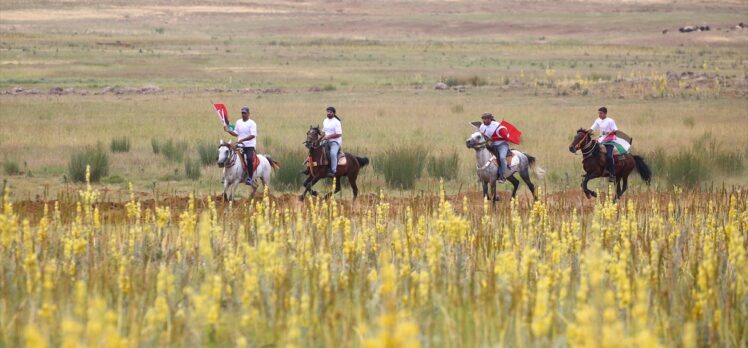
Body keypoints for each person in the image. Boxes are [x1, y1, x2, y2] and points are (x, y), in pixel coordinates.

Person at [224, 106, 257, 185]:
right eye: (242, 113)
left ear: (248, 114)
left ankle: (250, 178)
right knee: (229, 155)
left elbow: (253, 135)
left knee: (249, 159)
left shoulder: (252, 123)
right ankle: (226, 176)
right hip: (240, 145)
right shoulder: (238, 122)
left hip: (250, 145)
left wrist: (243, 140)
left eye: (245, 113)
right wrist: (228, 131)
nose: (243, 114)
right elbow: (236, 133)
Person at [588, 106, 617, 182]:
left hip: (610, 141)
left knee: (609, 157)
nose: (599, 115)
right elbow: (592, 129)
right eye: (599, 113)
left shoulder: (610, 121)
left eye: (601, 113)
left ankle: (612, 174)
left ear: (605, 113)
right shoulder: (598, 120)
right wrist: (585, 133)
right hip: (601, 140)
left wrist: (607, 133)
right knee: (592, 152)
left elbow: (615, 131)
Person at [479, 112, 509, 182]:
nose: (485, 120)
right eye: (484, 118)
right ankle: (482, 174)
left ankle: (503, 176)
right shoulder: (482, 126)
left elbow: (505, 136)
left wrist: (493, 139)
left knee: (502, 158)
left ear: (491, 119)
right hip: (491, 145)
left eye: (487, 118)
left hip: (502, 145)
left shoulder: (497, 125)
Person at [322, 106, 342, 178]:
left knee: (333, 153)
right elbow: (324, 132)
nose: (329, 113)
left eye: (330, 112)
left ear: (334, 113)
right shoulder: (325, 121)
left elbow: (339, 134)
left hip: (335, 142)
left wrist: (329, 136)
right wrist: (320, 138)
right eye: (328, 112)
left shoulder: (337, 122)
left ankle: (333, 171)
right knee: (315, 148)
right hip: (326, 141)